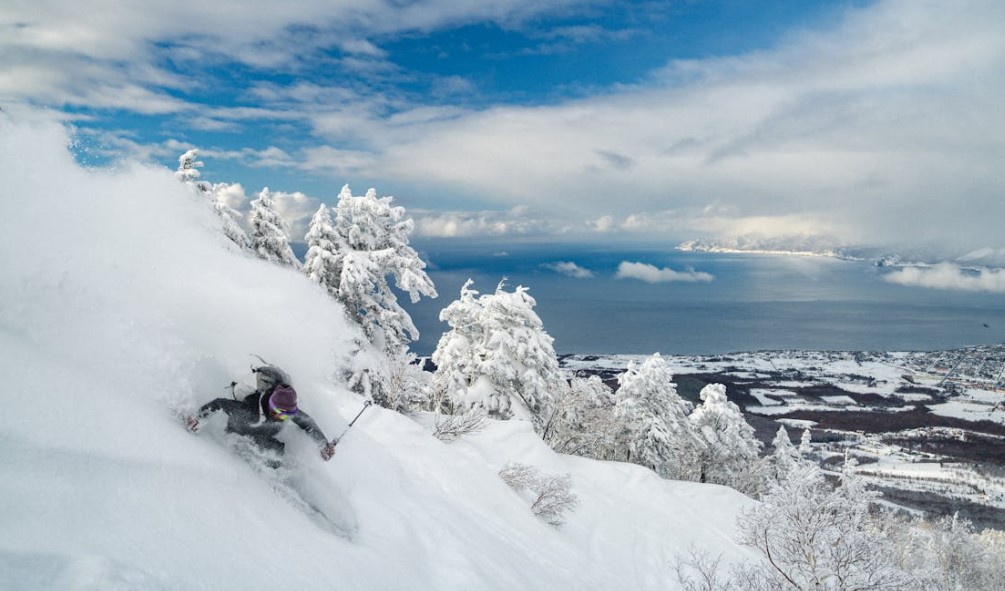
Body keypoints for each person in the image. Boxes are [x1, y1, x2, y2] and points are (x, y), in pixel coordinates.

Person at [186, 365, 336, 462]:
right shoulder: (248, 411)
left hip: (262, 427)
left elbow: (307, 423)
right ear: (272, 408)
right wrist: (198, 418)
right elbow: (219, 403)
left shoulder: (285, 409)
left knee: (277, 454)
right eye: (282, 415)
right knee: (244, 432)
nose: (285, 418)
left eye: (288, 415)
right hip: (241, 426)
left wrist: (323, 445)